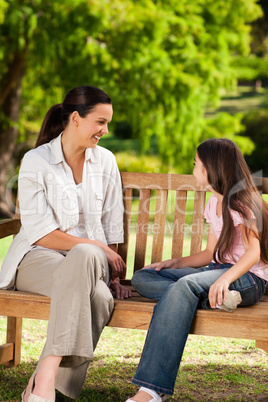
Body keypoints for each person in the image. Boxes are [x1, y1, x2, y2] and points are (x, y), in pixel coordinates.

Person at [0, 85, 131, 401]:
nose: (106, 130)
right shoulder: (36, 161)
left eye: (108, 123)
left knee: (87, 255)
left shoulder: (106, 161)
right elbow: (40, 232)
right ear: (76, 118)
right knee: (98, 298)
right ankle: (58, 394)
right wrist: (98, 248)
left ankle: (44, 377)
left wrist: (113, 273)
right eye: (100, 122)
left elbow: (113, 224)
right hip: (38, 258)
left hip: (90, 262)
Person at [126, 138, 268, 402]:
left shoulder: (244, 201)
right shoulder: (213, 203)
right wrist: (174, 263)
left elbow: (253, 253)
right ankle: (209, 299)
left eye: (196, 164)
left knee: (185, 287)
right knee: (143, 277)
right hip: (217, 273)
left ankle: (151, 390)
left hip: (247, 279)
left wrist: (224, 280)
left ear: (212, 168)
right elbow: (209, 254)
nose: (193, 169)